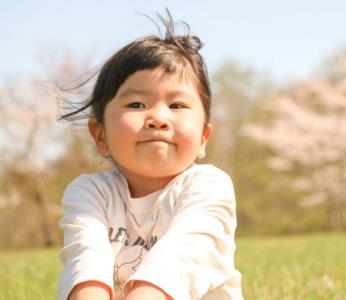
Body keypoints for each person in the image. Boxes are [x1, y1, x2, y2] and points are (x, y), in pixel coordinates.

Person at [57, 11, 243, 300]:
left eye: (177, 105)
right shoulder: (89, 194)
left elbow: (182, 257)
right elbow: (86, 261)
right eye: (137, 103)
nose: (158, 118)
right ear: (100, 134)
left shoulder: (209, 187)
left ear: (204, 138)